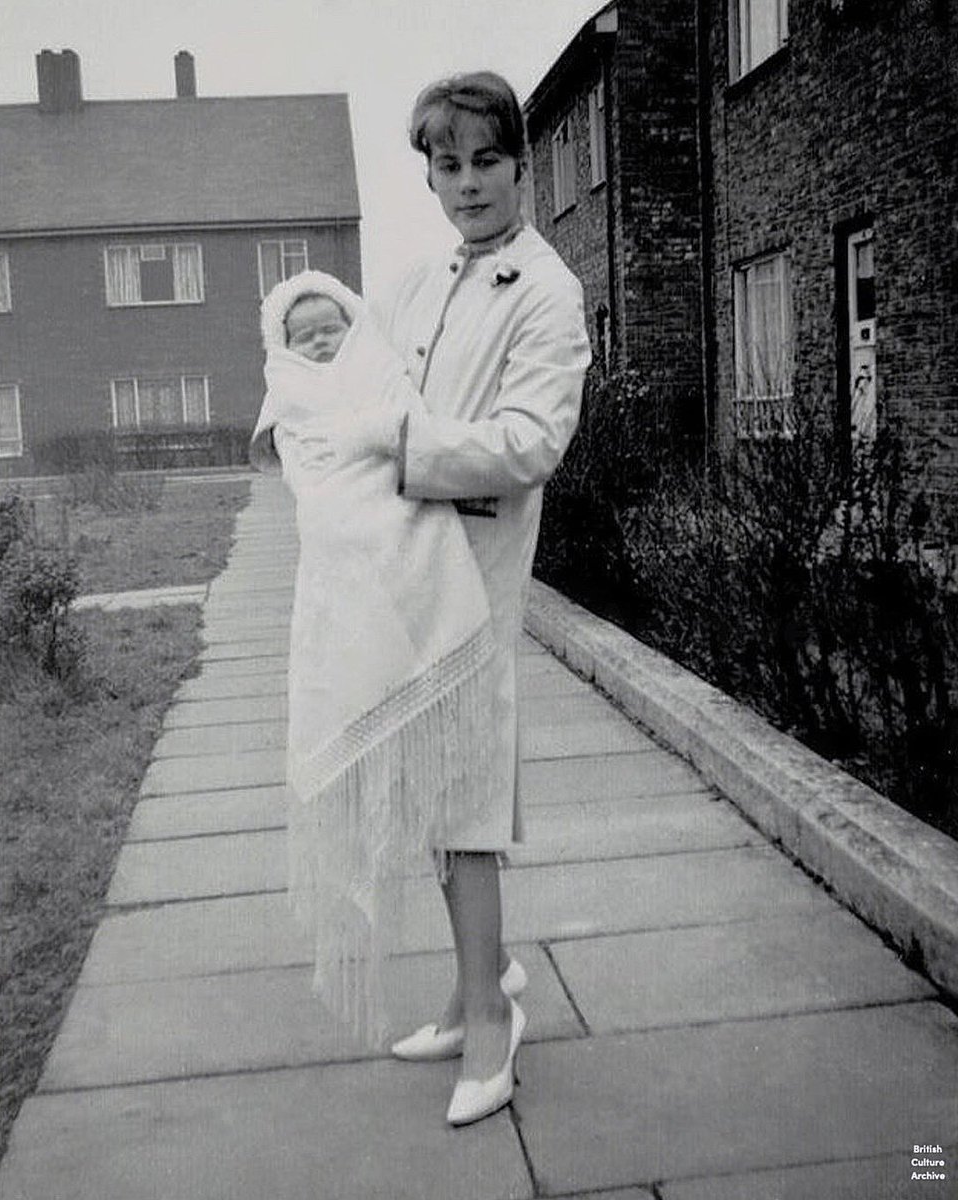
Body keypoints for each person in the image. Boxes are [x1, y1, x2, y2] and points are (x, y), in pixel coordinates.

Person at [372, 71, 591, 1126]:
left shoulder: (547, 291)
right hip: (406, 573)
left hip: (474, 574)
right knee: (430, 795)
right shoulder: (424, 279)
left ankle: (497, 1026)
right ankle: (474, 988)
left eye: (485, 161)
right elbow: (378, 386)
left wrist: (400, 450)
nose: (465, 184)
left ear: (521, 161)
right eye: (445, 165)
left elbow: (528, 444)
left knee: (463, 809)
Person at [249, 269, 500, 1053]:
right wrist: (354, 447)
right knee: (445, 815)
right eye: (305, 332)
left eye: (332, 324)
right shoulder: (288, 397)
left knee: (456, 808)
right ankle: (486, 981)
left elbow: (410, 429)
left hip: (413, 566)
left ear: (356, 323)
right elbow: (311, 479)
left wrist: (377, 436)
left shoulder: (382, 370)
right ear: (281, 348)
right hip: (343, 580)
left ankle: (488, 988)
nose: (322, 339)